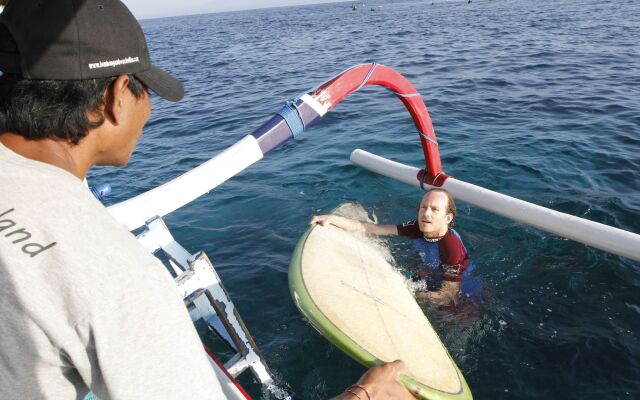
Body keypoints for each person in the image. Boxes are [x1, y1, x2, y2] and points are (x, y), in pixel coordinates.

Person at [0, 1, 415, 399]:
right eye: (146, 90)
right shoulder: (116, 275)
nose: (148, 110)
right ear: (116, 95)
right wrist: (363, 394)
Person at [311, 189, 478, 305]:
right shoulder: (418, 227)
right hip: (434, 272)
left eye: (434, 209)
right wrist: (332, 219)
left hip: (466, 292)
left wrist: (407, 290)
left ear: (447, 218)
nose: (426, 214)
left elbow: (447, 295)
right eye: (423, 207)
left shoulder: (451, 247)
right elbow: (372, 229)